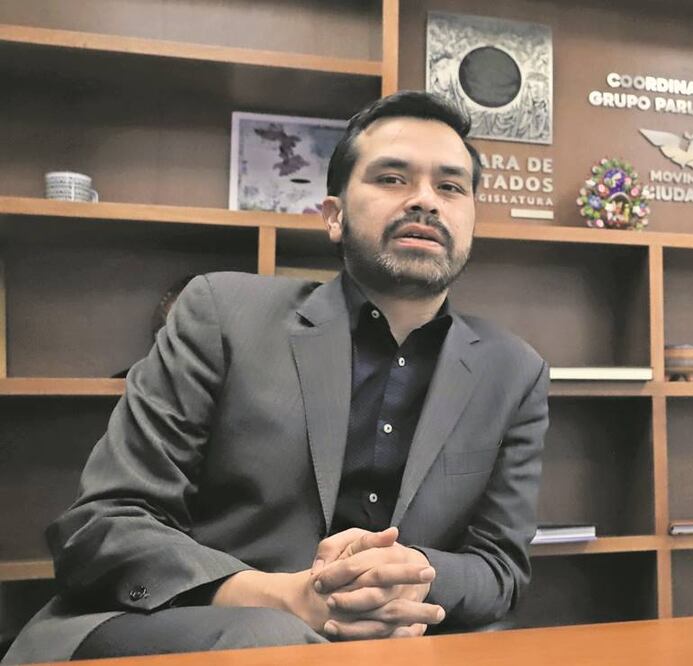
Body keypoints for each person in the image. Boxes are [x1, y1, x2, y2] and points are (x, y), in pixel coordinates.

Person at [3, 91, 549, 663]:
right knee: (280, 644)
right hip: (180, 626)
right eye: (392, 178)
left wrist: (414, 572)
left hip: (390, 643)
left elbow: (500, 566)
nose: (424, 201)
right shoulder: (220, 312)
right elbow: (105, 524)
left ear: (471, 221)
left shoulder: (514, 371)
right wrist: (286, 599)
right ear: (333, 217)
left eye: (451, 186)